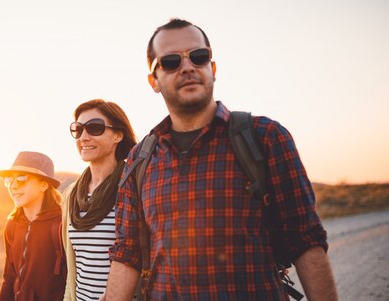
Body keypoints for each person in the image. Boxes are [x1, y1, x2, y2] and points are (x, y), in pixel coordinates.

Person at [105, 19, 338, 300]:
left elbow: (305, 240)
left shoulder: (265, 137)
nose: (188, 67)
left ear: (212, 68)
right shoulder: (139, 160)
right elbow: (127, 254)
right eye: (170, 62)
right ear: (154, 81)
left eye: (199, 57)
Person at [62, 99, 137, 300]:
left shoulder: (133, 188)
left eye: (95, 128)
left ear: (118, 135)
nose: (83, 137)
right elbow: (74, 268)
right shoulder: (71, 195)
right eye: (78, 130)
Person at [0, 151, 67, 301]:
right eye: (9, 179)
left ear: (43, 185)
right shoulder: (12, 225)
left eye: (22, 178)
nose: (13, 186)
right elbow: (9, 277)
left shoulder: (62, 225)